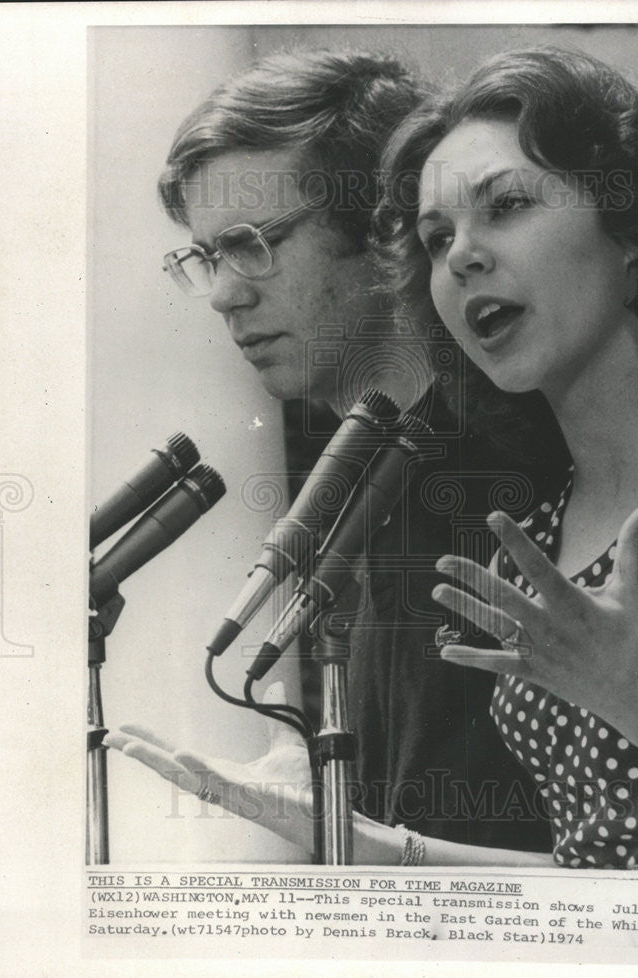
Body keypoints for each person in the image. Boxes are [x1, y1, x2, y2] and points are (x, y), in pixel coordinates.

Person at [114, 46, 638, 872]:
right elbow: (595, 873)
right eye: (435, 237)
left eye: (508, 206)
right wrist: (362, 843)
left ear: (626, 226)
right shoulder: (547, 519)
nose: (459, 256)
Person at [103, 48, 555, 856]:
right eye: (205, 257)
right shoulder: (377, 477)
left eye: (251, 242)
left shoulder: (491, 482)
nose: (224, 292)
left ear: (383, 226)